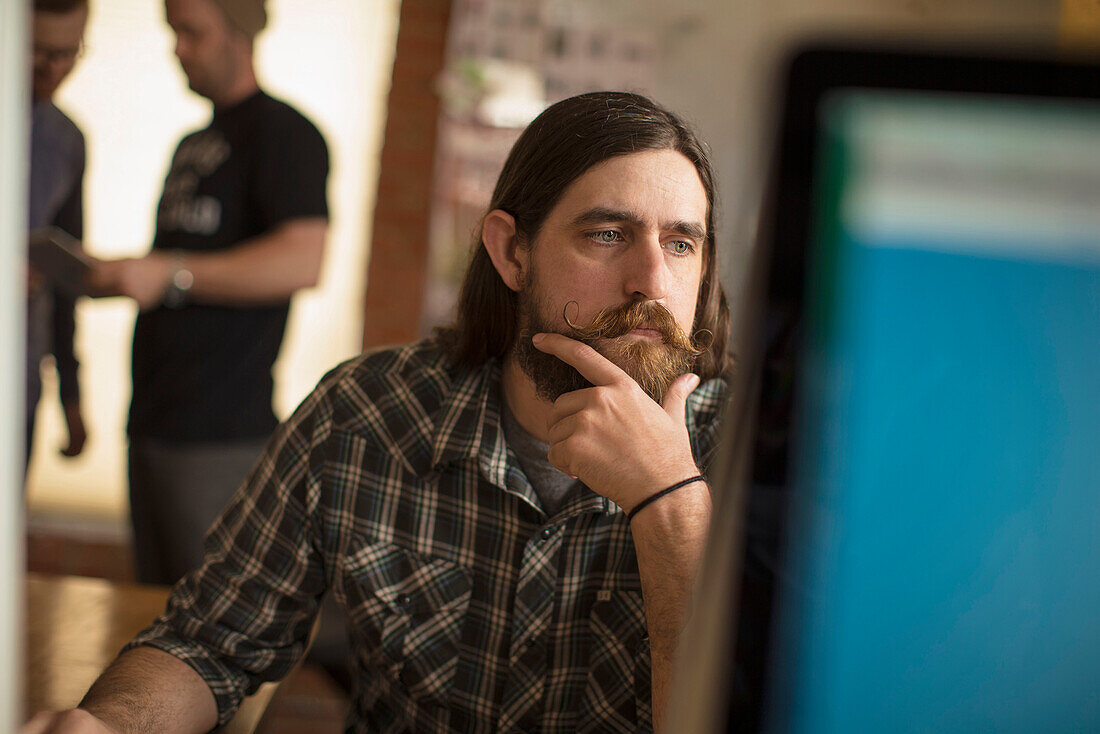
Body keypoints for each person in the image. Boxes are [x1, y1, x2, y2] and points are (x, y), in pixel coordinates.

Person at [25, 91, 733, 734]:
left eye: (681, 242)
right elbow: (209, 642)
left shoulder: (744, 456)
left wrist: (669, 499)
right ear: (512, 253)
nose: (653, 280)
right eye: (608, 234)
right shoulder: (364, 414)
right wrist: (111, 725)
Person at [88, 0, 329, 585]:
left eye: (192, 33)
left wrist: (170, 272)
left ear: (239, 34)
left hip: (220, 432)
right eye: (173, 32)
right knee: (156, 610)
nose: (178, 48)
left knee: (215, 623)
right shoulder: (193, 143)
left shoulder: (285, 133)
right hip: (153, 419)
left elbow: (302, 259)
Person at [26, 0, 90, 470]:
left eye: (68, 53)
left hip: (19, 384)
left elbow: (66, 269)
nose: (54, 68)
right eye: (38, 50)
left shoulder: (67, 141)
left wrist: (71, 391)